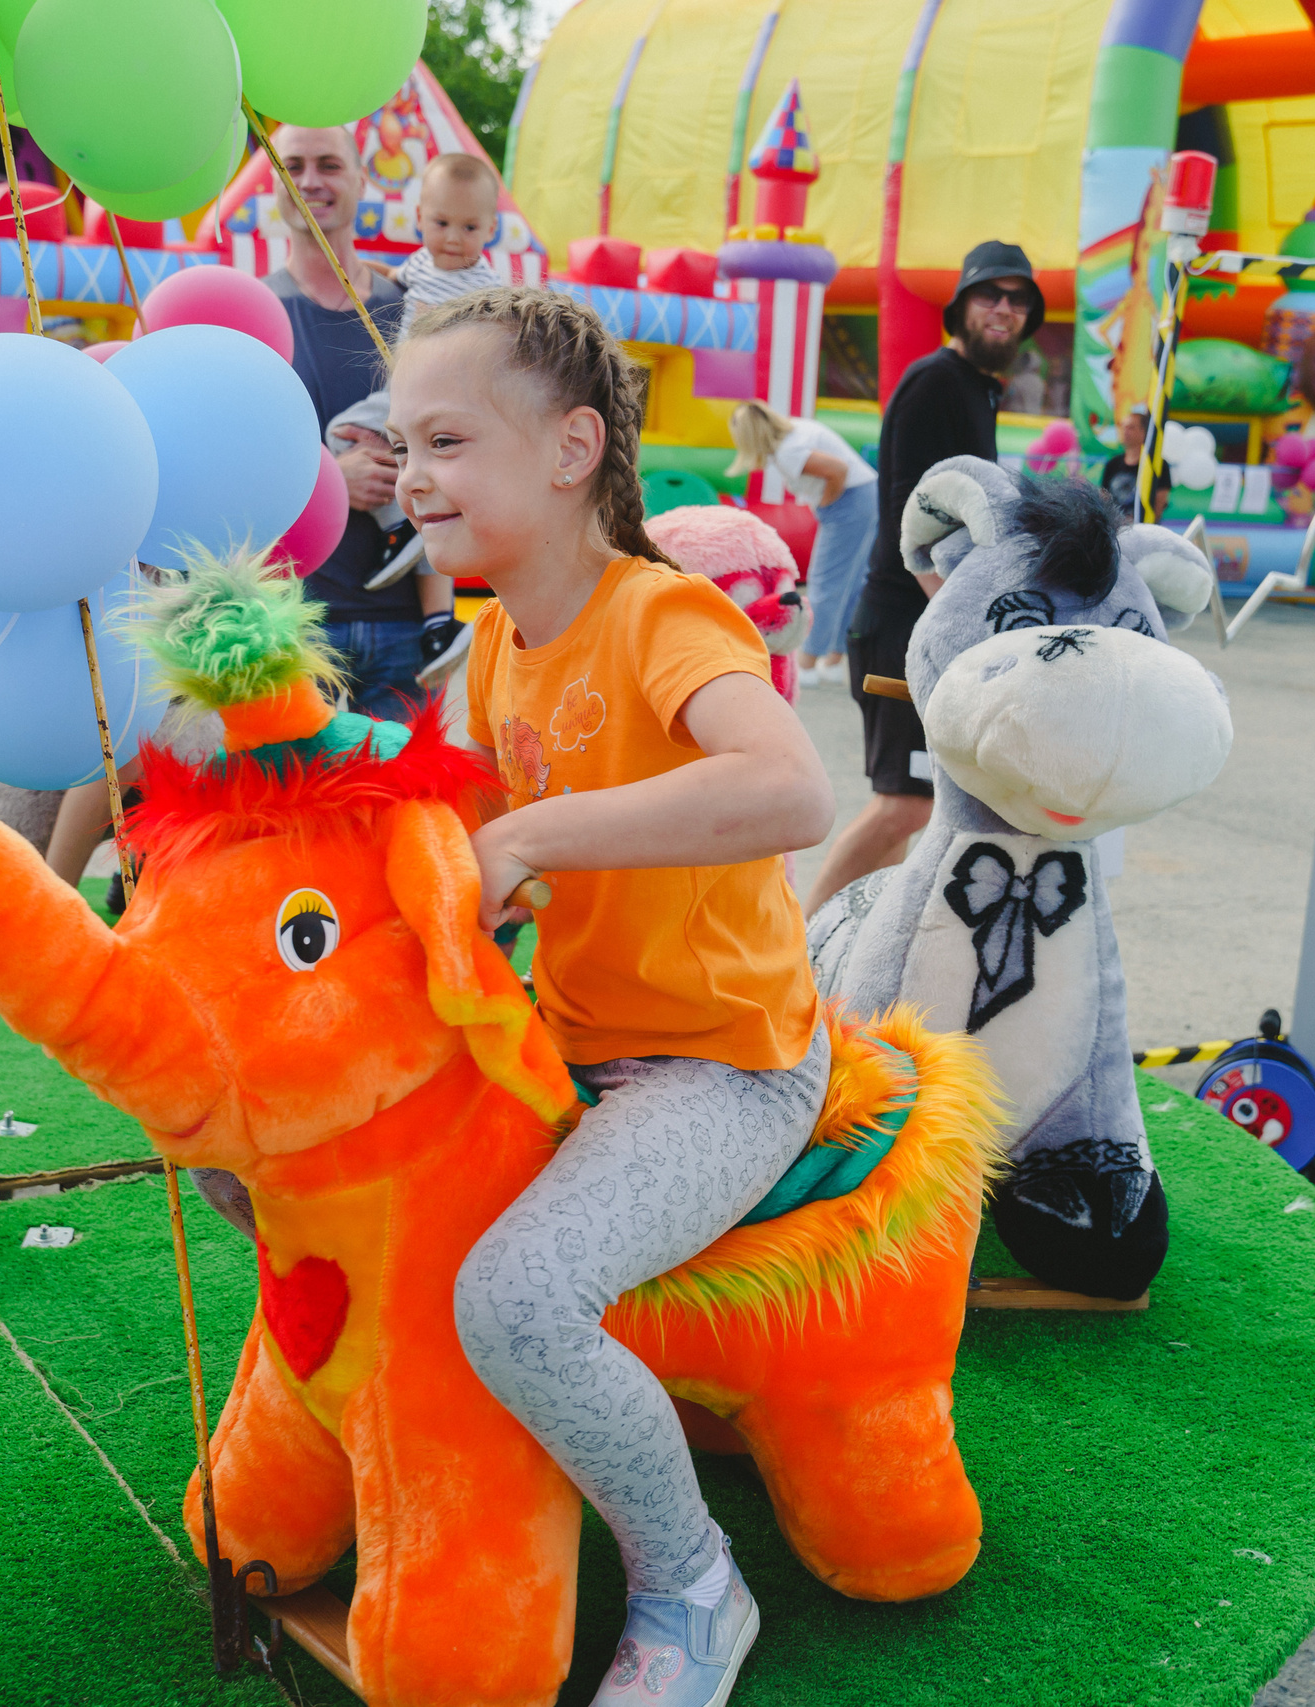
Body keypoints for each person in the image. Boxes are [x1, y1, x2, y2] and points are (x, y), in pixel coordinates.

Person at [387, 286, 835, 1707]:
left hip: (722, 1062)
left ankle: (693, 1580)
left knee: (519, 1296)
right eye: (402, 441)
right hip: (574, 1039)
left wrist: (529, 839)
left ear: (574, 448)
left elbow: (790, 787)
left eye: (447, 438)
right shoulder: (500, 638)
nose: (411, 474)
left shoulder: (662, 611)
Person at [799, 240, 1041, 920]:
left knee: (927, 810)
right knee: (905, 804)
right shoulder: (936, 380)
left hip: (931, 627)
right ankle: (796, 943)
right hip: (905, 624)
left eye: (1018, 300)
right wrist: (956, 618)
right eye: (990, 295)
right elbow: (914, 514)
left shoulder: (978, 391)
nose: (1004, 309)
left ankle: (852, 943)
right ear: (960, 306)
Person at [264, 123, 463, 715]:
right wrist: (329, 479)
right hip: (294, 623)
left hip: (410, 630)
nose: (310, 181)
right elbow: (226, 468)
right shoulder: (254, 312)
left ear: (360, 178)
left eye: (328, 164)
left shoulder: (412, 309)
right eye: (293, 165)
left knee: (407, 808)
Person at [725, 399, 877, 686]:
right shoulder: (797, 431)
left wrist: (827, 504)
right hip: (866, 495)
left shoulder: (788, 450)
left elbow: (837, 470)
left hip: (849, 502)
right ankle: (833, 658)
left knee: (825, 582)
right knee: (851, 583)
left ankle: (806, 664)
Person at [384, 151, 503, 306]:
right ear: (420, 218)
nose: (453, 239)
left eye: (469, 227)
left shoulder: (489, 289)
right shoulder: (420, 262)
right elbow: (389, 274)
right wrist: (353, 268)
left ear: (490, 230)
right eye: (442, 223)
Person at [1101, 404, 1150, 514]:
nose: (1125, 431)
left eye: (1131, 427)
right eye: (1123, 427)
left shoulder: (1154, 465)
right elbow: (1104, 497)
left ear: (1144, 432)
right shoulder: (1112, 464)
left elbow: (1159, 502)